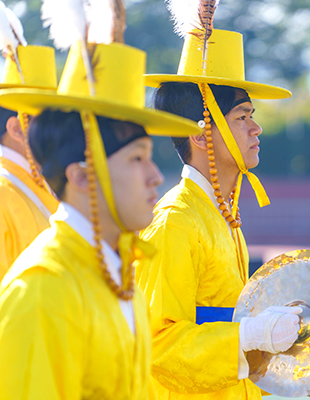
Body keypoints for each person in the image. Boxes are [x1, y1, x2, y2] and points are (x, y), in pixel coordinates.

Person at [0, 7, 200, 398]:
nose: (155, 176)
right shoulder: (40, 293)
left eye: (148, 156)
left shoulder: (121, 277)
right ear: (79, 175)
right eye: (135, 159)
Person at [137, 11, 300, 399]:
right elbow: (156, 344)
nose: (255, 128)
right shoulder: (176, 221)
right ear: (200, 133)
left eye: (252, 116)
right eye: (242, 117)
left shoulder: (223, 215)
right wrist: (251, 334)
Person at [0, 9, 59, 278]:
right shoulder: (4, 192)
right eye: (48, 119)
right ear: (15, 128)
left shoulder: (40, 182)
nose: (61, 131)